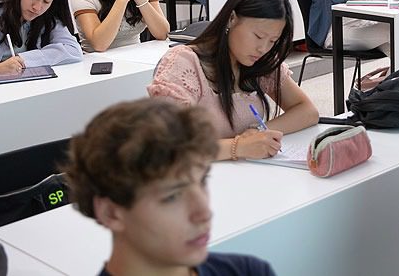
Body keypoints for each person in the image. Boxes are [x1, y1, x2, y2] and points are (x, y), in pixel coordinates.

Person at [64, 98, 276, 276]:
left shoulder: (250, 272)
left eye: (202, 181)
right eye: (172, 197)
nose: (204, 213)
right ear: (111, 213)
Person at [148, 0, 319, 158]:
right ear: (232, 18)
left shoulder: (260, 61)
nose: (263, 48)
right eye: (258, 36)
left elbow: (307, 111)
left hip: (242, 175)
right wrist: (239, 147)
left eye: (272, 41)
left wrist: (259, 131)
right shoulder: (184, 63)